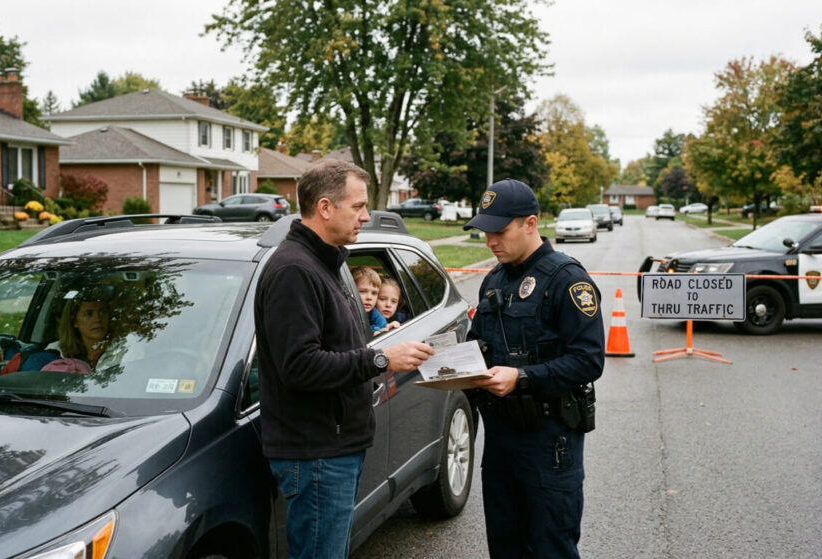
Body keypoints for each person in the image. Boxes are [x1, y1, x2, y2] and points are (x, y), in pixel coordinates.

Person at [253, 159, 435, 558]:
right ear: (324, 207)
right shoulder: (294, 271)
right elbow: (299, 366)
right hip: (316, 452)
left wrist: (376, 352)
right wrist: (381, 360)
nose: (366, 216)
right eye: (358, 207)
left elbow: (334, 347)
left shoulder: (324, 261)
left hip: (332, 447)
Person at [464, 179, 605, 558]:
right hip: (501, 438)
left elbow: (588, 359)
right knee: (506, 545)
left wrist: (523, 377)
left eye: (500, 230)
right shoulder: (494, 279)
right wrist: (449, 367)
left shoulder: (567, 280)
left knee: (550, 546)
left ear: (530, 223)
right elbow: (479, 344)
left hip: (548, 440)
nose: (491, 241)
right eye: (485, 232)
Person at [351, 266, 392, 334]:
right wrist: (374, 331)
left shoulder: (375, 313)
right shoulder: (346, 313)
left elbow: (384, 327)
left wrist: (386, 329)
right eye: (363, 291)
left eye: (374, 293)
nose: (369, 297)